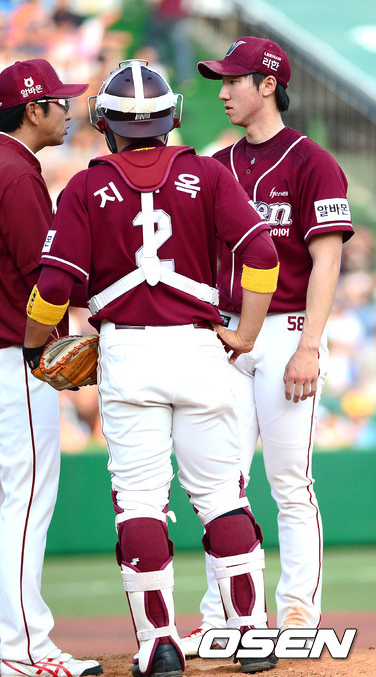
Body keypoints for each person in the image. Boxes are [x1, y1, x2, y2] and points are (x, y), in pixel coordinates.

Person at [23, 59, 281, 676]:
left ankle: (159, 645)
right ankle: (251, 635)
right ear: (170, 118)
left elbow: (53, 288)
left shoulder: (85, 187)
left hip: (128, 353)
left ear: (107, 123)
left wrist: (35, 348)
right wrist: (246, 334)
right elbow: (263, 254)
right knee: (221, 497)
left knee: (139, 504)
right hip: (199, 349)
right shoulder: (207, 173)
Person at [180, 37, 355, 657]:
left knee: (288, 480)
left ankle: (299, 610)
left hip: (285, 331)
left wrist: (310, 346)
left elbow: (326, 260)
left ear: (268, 84)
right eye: (222, 81)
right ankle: (223, 614)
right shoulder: (216, 164)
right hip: (227, 332)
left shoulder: (313, 162)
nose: (224, 92)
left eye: (234, 81)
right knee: (221, 484)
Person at [0, 59, 102, 677]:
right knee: (28, 499)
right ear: (33, 110)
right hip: (12, 356)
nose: (68, 111)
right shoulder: (14, 172)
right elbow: (49, 278)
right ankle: (26, 649)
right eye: (59, 102)